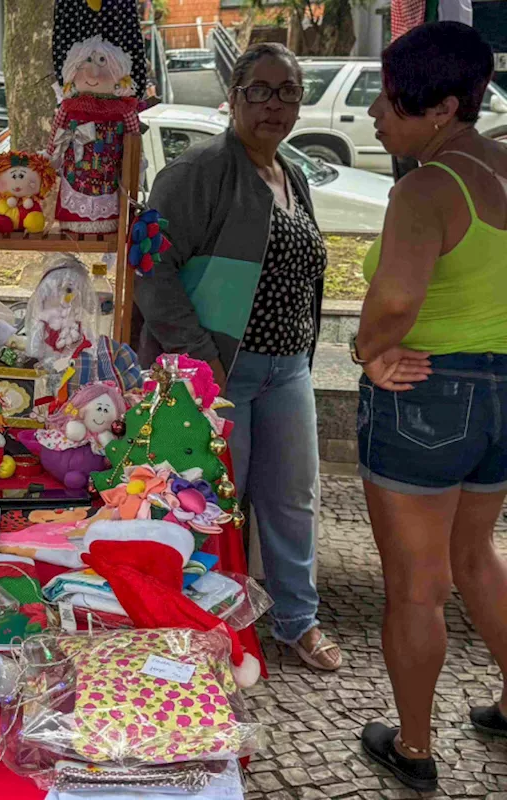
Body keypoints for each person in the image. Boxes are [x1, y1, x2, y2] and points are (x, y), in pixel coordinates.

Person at [133, 43, 340, 671]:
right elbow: (148, 263)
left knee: (292, 498)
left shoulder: (292, 175)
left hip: (288, 370)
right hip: (221, 372)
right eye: (261, 89)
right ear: (235, 94)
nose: (275, 104)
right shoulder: (198, 173)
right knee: (210, 504)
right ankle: (207, 629)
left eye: (289, 91)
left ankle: (295, 621)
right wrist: (198, 356)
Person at [352, 22, 506, 792]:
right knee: (477, 558)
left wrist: (365, 351)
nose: (378, 115)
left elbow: (396, 299)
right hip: (504, 394)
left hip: (427, 393)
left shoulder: (427, 187)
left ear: (442, 108)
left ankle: (413, 747)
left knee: (419, 586)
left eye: (391, 101)